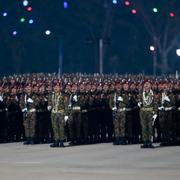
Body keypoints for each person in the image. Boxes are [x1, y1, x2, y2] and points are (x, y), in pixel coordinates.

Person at [139, 81, 157, 148]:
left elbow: (155, 103)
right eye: (145, 84)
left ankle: (150, 141)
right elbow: (139, 101)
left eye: (148, 84)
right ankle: (145, 142)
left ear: (150, 86)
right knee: (144, 127)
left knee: (150, 127)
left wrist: (155, 113)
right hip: (143, 112)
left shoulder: (153, 93)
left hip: (150, 112)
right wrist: (139, 103)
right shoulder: (141, 93)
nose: (146, 85)